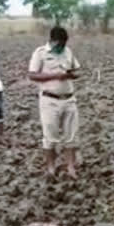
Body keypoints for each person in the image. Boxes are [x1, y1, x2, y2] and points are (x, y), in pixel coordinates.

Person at [28, 27, 81, 178]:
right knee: (50, 136)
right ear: (52, 41)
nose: (62, 46)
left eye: (64, 43)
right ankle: (50, 168)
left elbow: (77, 70)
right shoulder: (40, 53)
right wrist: (54, 76)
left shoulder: (68, 52)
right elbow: (32, 75)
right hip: (49, 100)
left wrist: (71, 75)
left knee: (71, 136)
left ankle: (70, 167)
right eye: (60, 43)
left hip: (69, 99)